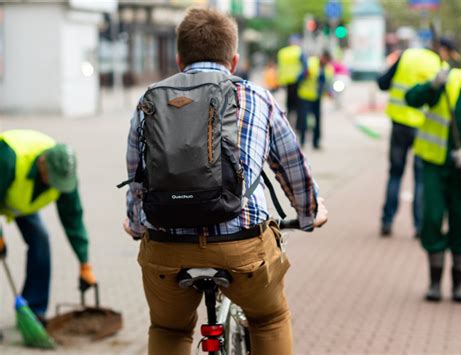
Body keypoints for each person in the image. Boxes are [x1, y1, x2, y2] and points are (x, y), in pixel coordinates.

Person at [123, 8, 328, 355]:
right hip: (243, 247)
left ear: (178, 58)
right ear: (233, 61)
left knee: (169, 329)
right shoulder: (257, 97)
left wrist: (136, 223)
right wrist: (310, 213)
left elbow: (136, 178)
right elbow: (292, 165)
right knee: (269, 319)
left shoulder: (149, 101)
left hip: (167, 249)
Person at [0, 129, 97, 323]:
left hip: (19, 203)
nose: (55, 186)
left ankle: (34, 310)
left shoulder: (63, 174)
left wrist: (84, 262)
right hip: (4, 182)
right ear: (42, 163)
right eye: (52, 180)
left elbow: (73, 218)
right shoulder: (8, 159)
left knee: (41, 240)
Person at [406, 67, 461, 303]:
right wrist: (432, 85)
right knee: (432, 218)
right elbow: (411, 98)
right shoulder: (451, 81)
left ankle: (458, 285)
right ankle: (434, 283)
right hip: (435, 164)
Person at [377, 47, 443, 238]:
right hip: (423, 128)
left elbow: (383, 83)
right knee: (420, 178)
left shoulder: (405, 56)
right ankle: (419, 226)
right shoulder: (438, 64)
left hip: (399, 124)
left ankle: (387, 221)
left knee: (395, 174)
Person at [296, 50, 334, 149]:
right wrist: (304, 75)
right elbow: (299, 77)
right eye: (325, 59)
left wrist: (330, 92)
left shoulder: (328, 69)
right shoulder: (310, 63)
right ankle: (302, 141)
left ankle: (316, 142)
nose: (325, 62)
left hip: (317, 97)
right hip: (305, 95)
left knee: (317, 120)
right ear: (322, 57)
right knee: (303, 120)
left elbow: (327, 83)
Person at [277, 34, 308, 126]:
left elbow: (280, 67)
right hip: (297, 81)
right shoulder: (299, 51)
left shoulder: (282, 52)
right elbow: (305, 67)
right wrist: (302, 78)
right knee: (298, 105)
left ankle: (288, 122)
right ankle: (298, 124)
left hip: (286, 82)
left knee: (289, 104)